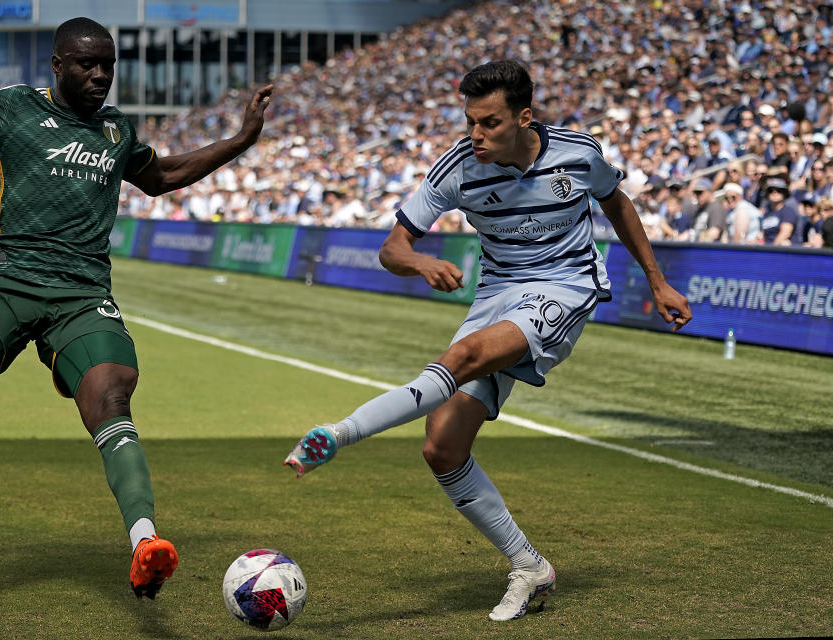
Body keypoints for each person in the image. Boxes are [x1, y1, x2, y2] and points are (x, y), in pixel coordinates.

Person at [0, 1, 273, 601]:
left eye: (108, 66)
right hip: (2, 277)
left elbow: (162, 175)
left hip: (81, 292)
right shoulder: (9, 107)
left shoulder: (116, 131)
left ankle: (145, 542)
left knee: (113, 395)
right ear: (57, 64)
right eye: (87, 64)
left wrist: (241, 139)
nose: (100, 75)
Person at [283, 60, 692, 622]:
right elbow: (391, 248)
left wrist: (657, 280)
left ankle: (339, 432)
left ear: (525, 118)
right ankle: (530, 566)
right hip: (496, 294)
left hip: (564, 286)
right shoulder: (457, 167)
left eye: (489, 122)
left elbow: (617, 202)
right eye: (470, 120)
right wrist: (420, 262)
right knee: (442, 447)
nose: (475, 134)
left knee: (463, 356)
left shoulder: (578, 153)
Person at [759, 177, 799, 245]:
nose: (774, 192)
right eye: (771, 190)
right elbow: (761, 234)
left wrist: (771, 250)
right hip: (766, 248)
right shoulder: (766, 213)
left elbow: (785, 233)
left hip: (781, 251)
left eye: (779, 190)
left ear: (784, 193)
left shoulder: (788, 211)